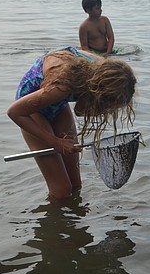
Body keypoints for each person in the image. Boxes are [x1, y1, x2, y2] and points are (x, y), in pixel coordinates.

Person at [8, 46, 136, 199]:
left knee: (75, 185)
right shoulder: (62, 87)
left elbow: (79, 110)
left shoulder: (98, 70)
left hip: (57, 104)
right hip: (30, 110)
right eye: (105, 106)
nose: (105, 111)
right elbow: (14, 112)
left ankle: (73, 219)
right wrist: (55, 142)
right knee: (62, 190)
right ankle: (55, 218)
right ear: (98, 92)